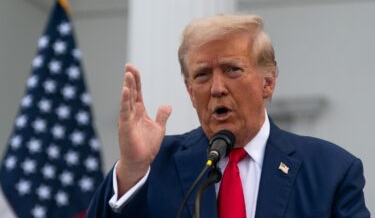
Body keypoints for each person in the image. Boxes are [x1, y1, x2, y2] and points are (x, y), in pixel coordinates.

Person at [86, 14, 370, 218]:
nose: (217, 88)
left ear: (268, 82)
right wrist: (132, 169)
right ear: (189, 90)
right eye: (202, 75)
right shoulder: (153, 166)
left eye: (232, 70)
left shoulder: (330, 170)